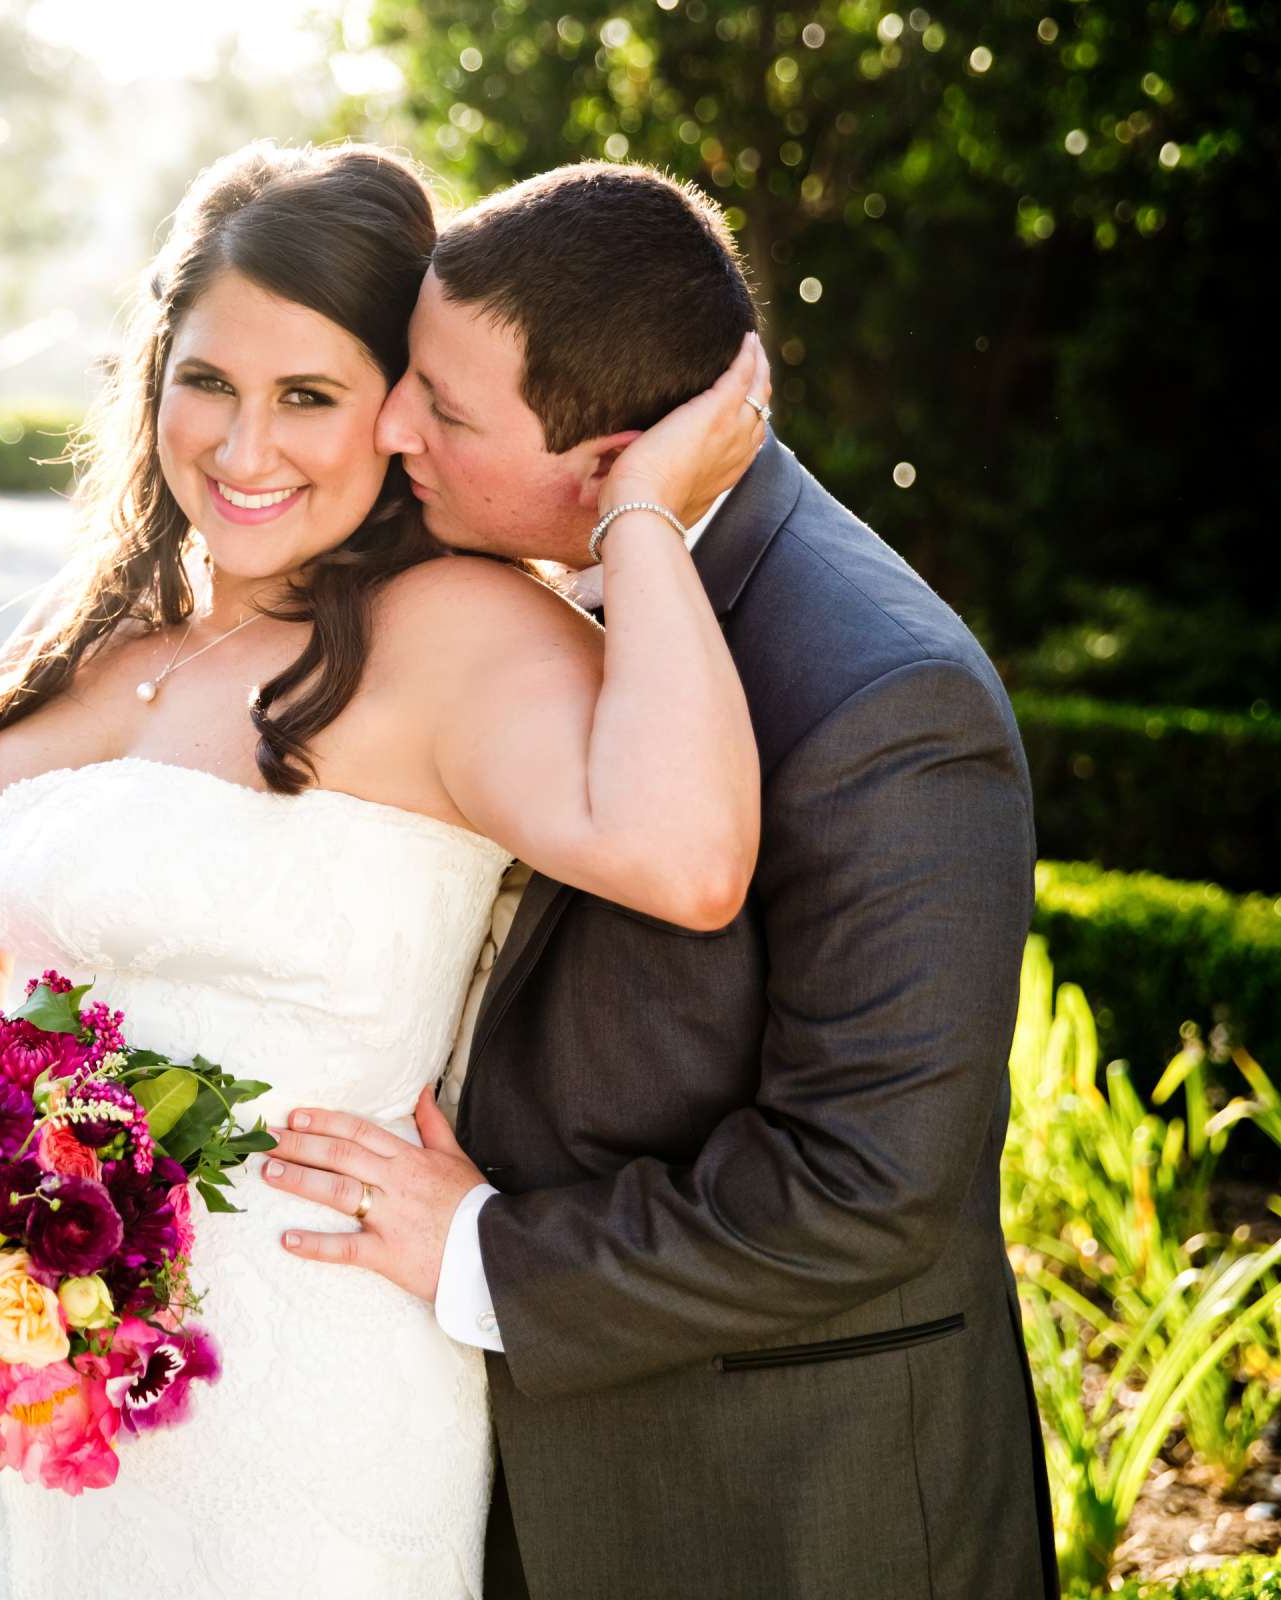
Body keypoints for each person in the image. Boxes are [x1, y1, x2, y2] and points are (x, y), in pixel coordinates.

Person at [0, 141, 768, 1597]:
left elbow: (691, 859)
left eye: (308, 397)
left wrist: (645, 510)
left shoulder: (454, 633)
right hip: (36, 1375)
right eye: (209, 382)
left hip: (299, 1407)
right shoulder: (107, 618)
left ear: (399, 413)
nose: (242, 449)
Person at [265, 162, 1058, 1598]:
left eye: (442, 408)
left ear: (618, 457)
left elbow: (869, 1186)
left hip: (782, 1508)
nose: (392, 428)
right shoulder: (499, 578)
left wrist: (488, 1250)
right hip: (487, 1469)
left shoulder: (884, 700)